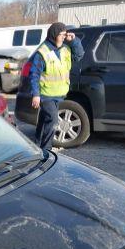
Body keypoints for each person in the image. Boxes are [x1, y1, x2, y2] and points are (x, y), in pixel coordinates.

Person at [29, 22, 84, 155]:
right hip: (45, 95)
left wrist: (74, 41)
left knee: (44, 120)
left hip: (59, 94)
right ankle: (46, 151)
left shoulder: (66, 49)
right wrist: (35, 94)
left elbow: (79, 56)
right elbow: (34, 74)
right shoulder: (42, 52)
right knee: (53, 121)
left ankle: (36, 145)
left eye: (65, 34)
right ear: (54, 35)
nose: (64, 37)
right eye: (62, 34)